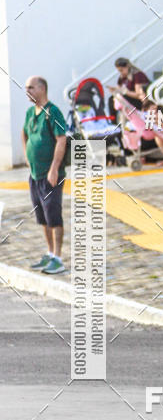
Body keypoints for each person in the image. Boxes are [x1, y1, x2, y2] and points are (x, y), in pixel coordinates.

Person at [22, 76, 68, 274]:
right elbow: (24, 134)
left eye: (31, 87)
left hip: (50, 175)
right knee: (42, 216)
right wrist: (27, 156)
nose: (27, 91)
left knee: (53, 215)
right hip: (35, 175)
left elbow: (61, 139)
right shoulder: (30, 113)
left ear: (42, 88)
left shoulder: (53, 112)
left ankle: (58, 258)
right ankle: (49, 253)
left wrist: (54, 168)